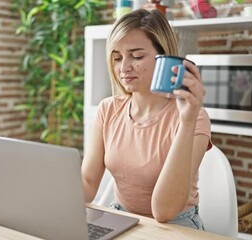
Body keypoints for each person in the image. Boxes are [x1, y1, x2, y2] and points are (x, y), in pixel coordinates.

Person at [81, 9, 212, 230]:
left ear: (164, 58)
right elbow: (88, 183)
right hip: (121, 218)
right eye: (117, 58)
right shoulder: (108, 109)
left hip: (175, 226)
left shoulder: (194, 117)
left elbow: (164, 211)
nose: (123, 68)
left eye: (137, 56)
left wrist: (187, 121)